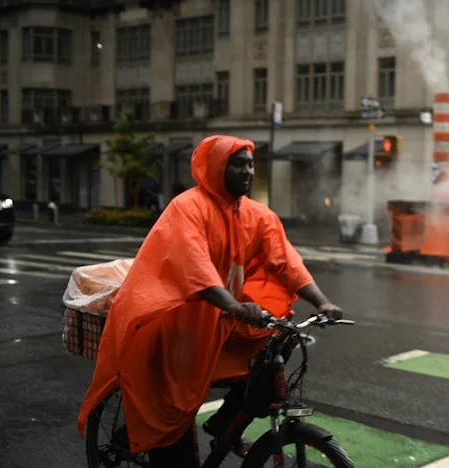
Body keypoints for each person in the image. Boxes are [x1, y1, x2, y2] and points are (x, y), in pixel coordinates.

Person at [76, 135, 343, 467]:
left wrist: (321, 302)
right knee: (173, 432)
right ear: (218, 167)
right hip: (170, 325)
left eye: (250, 164)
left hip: (214, 321)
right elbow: (193, 265)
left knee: (271, 353)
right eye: (238, 164)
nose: (248, 171)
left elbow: (286, 262)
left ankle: (223, 423)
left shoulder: (257, 216)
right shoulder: (188, 208)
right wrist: (233, 305)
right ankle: (148, 443)